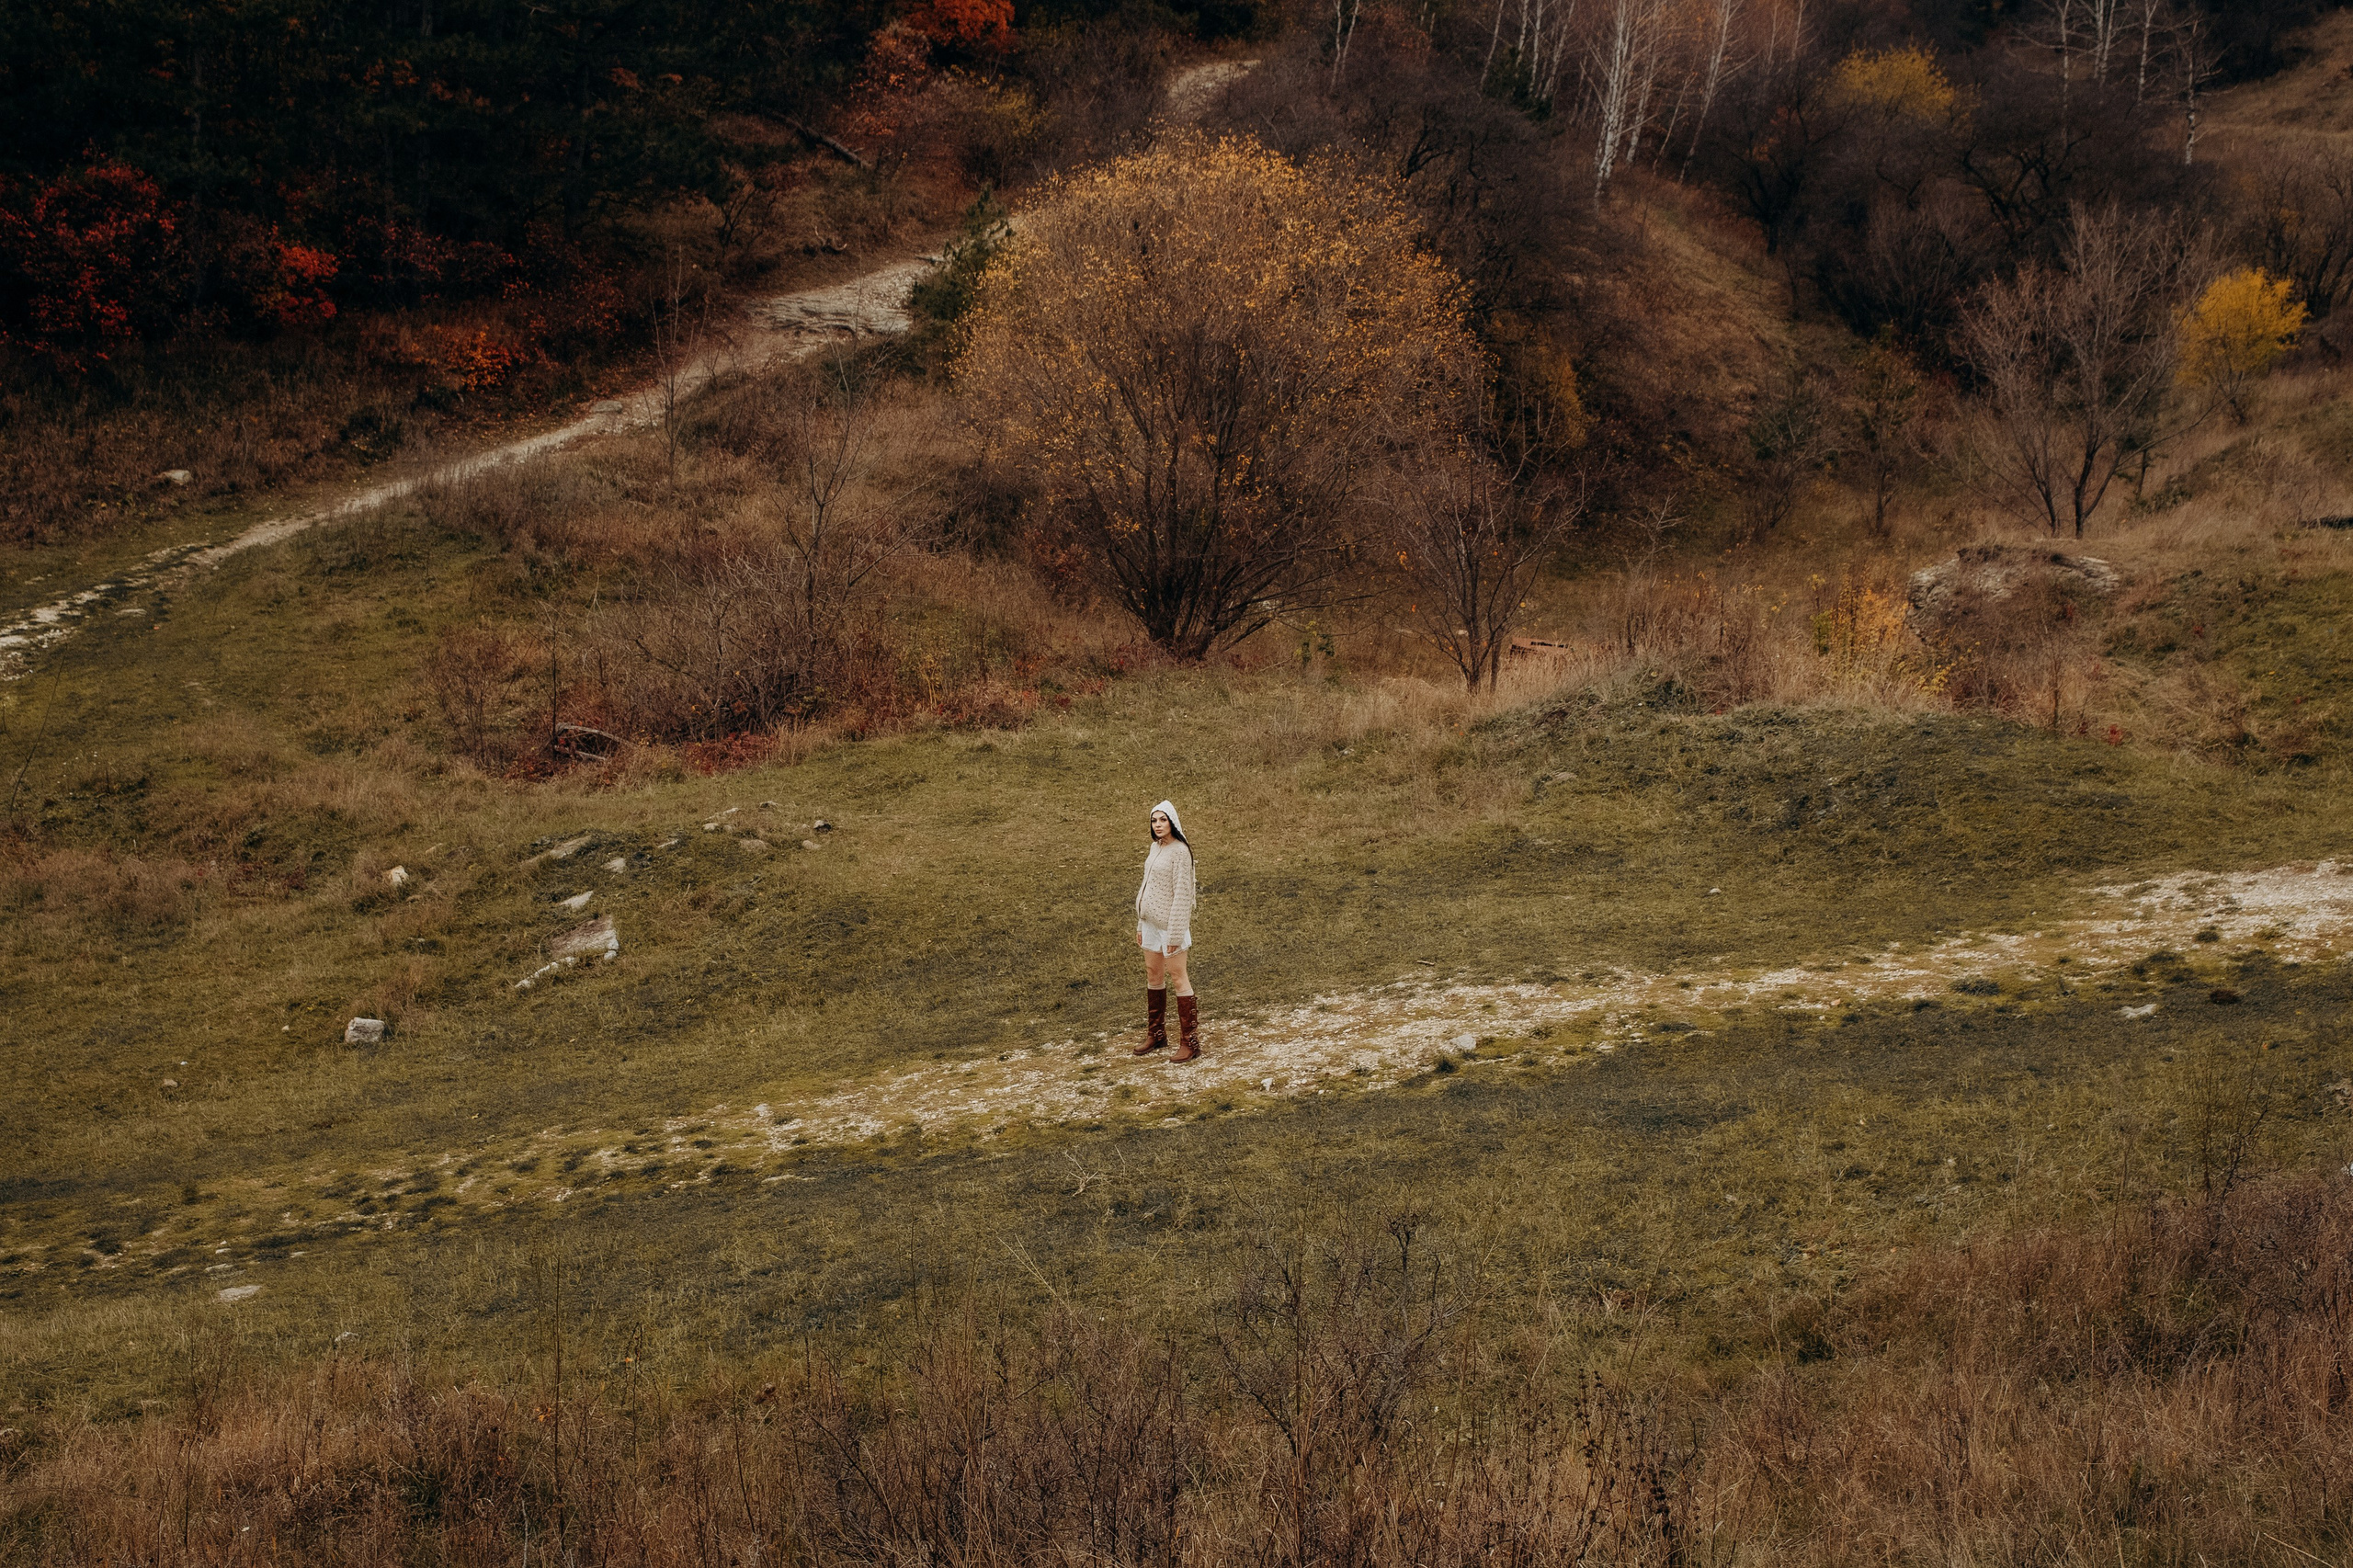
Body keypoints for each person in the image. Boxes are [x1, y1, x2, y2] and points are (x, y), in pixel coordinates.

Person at [1133, 799, 1201, 1062]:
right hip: (1150, 924)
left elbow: (1183, 895)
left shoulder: (1180, 852)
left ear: (1172, 822)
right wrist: (1141, 922)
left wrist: (1174, 935)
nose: (1158, 825)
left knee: (1178, 978)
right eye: (1154, 820)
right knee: (1153, 974)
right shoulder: (1155, 848)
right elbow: (1147, 887)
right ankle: (1157, 1034)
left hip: (1171, 927)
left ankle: (1190, 1042)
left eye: (1163, 819)